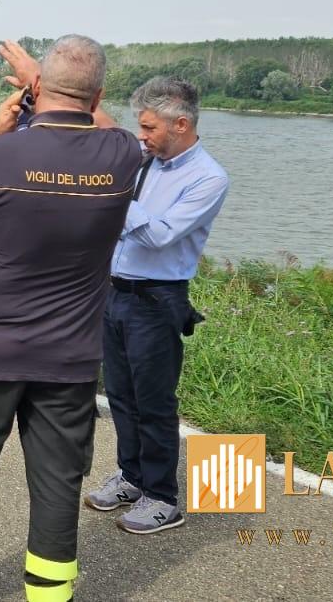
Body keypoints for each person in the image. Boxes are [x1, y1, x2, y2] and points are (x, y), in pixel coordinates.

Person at [0, 35, 141, 602]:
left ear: (36, 90)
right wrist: (50, 82)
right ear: (99, 95)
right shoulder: (120, 157)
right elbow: (111, 124)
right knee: (57, 488)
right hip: (68, 362)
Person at [85, 77, 229, 535]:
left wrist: (114, 189)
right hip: (115, 293)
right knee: (120, 396)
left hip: (156, 300)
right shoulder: (145, 161)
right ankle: (132, 477)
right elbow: (107, 133)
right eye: (139, 127)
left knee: (154, 401)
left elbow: (160, 234)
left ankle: (163, 497)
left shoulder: (208, 177)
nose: (141, 136)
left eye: (148, 128)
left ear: (180, 123)